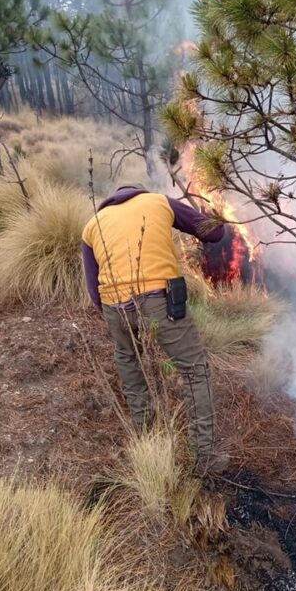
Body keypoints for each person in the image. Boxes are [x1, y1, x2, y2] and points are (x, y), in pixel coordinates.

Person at [81, 184, 230, 477]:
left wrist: (116, 317)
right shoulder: (158, 201)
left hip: (114, 306)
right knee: (194, 370)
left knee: (131, 368)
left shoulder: (92, 225)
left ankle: (149, 445)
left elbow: (92, 288)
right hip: (159, 300)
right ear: (140, 192)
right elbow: (214, 232)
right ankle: (204, 459)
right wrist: (214, 211)